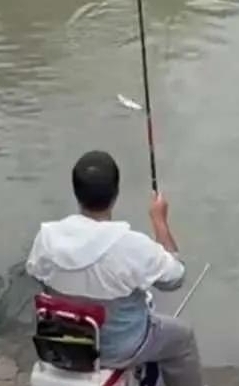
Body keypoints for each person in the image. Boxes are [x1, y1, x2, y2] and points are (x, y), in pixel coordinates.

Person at [26, 151, 201, 386]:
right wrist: (159, 220)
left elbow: (37, 275)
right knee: (183, 338)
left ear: (76, 192)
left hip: (63, 342)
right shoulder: (131, 245)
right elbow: (175, 278)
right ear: (116, 193)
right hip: (121, 348)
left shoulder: (46, 237)